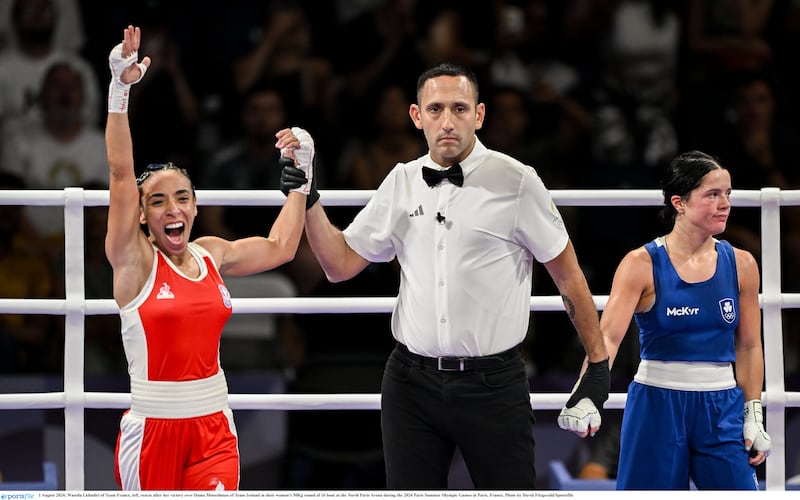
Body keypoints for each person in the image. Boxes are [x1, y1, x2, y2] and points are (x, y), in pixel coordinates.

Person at [279, 61, 610, 489]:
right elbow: (339, 265)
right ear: (417, 116)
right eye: (435, 109)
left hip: (494, 384)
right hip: (410, 383)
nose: (447, 121)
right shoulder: (401, 180)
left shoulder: (517, 182)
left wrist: (598, 365)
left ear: (479, 114)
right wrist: (308, 196)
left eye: (459, 108)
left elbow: (569, 277)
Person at [104, 25, 310, 490]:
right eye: (158, 202)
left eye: (182, 198)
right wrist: (120, 90)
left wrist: (302, 178)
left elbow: (280, 247)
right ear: (141, 215)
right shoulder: (132, 263)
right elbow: (120, 174)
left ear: (196, 206)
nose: (172, 210)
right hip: (154, 429)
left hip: (214, 425)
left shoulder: (212, 254)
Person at [598, 150, 772, 489]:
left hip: (721, 405)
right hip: (657, 403)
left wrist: (753, 412)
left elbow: (750, 345)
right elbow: (607, 339)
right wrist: (588, 392)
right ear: (679, 202)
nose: (725, 203)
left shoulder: (742, 264)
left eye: (728, 194)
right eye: (712, 194)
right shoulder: (640, 264)